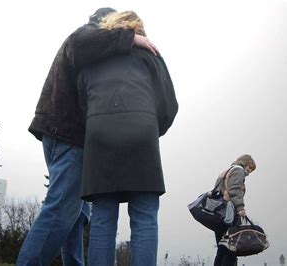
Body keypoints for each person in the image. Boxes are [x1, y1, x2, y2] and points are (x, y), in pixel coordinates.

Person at [17, 7, 160, 266]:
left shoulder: (95, 49)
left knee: (77, 212)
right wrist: (130, 38)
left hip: (59, 133)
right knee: (61, 210)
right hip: (71, 137)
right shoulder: (87, 34)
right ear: (106, 22)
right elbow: (79, 44)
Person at [76, 10, 178, 266]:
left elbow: (82, 102)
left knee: (102, 218)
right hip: (142, 134)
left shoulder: (90, 60)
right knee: (144, 218)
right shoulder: (150, 54)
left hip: (99, 136)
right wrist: (152, 128)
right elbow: (169, 104)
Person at [213, 154, 256, 266]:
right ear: (246, 163)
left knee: (222, 248)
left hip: (219, 215)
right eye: (250, 168)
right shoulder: (238, 171)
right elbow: (235, 190)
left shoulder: (227, 171)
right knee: (230, 249)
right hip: (228, 215)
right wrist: (240, 208)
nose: (249, 172)